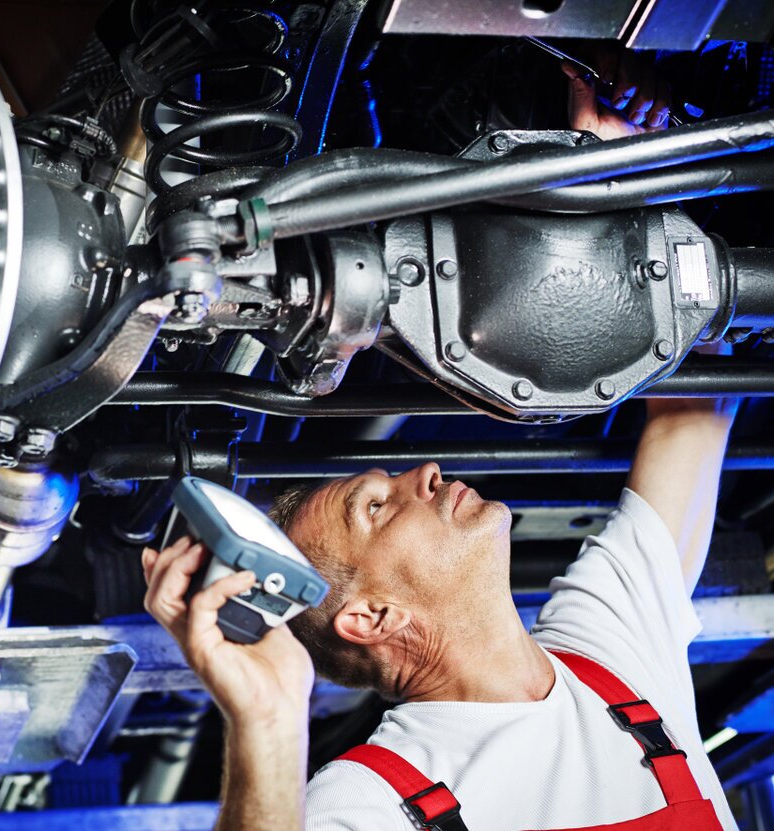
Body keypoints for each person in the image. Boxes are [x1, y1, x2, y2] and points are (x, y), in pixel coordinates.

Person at [141, 62, 738, 831]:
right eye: (378, 505)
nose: (425, 470)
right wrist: (268, 721)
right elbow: (702, 401)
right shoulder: (375, 798)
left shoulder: (606, 646)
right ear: (372, 616)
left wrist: (608, 186)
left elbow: (692, 409)